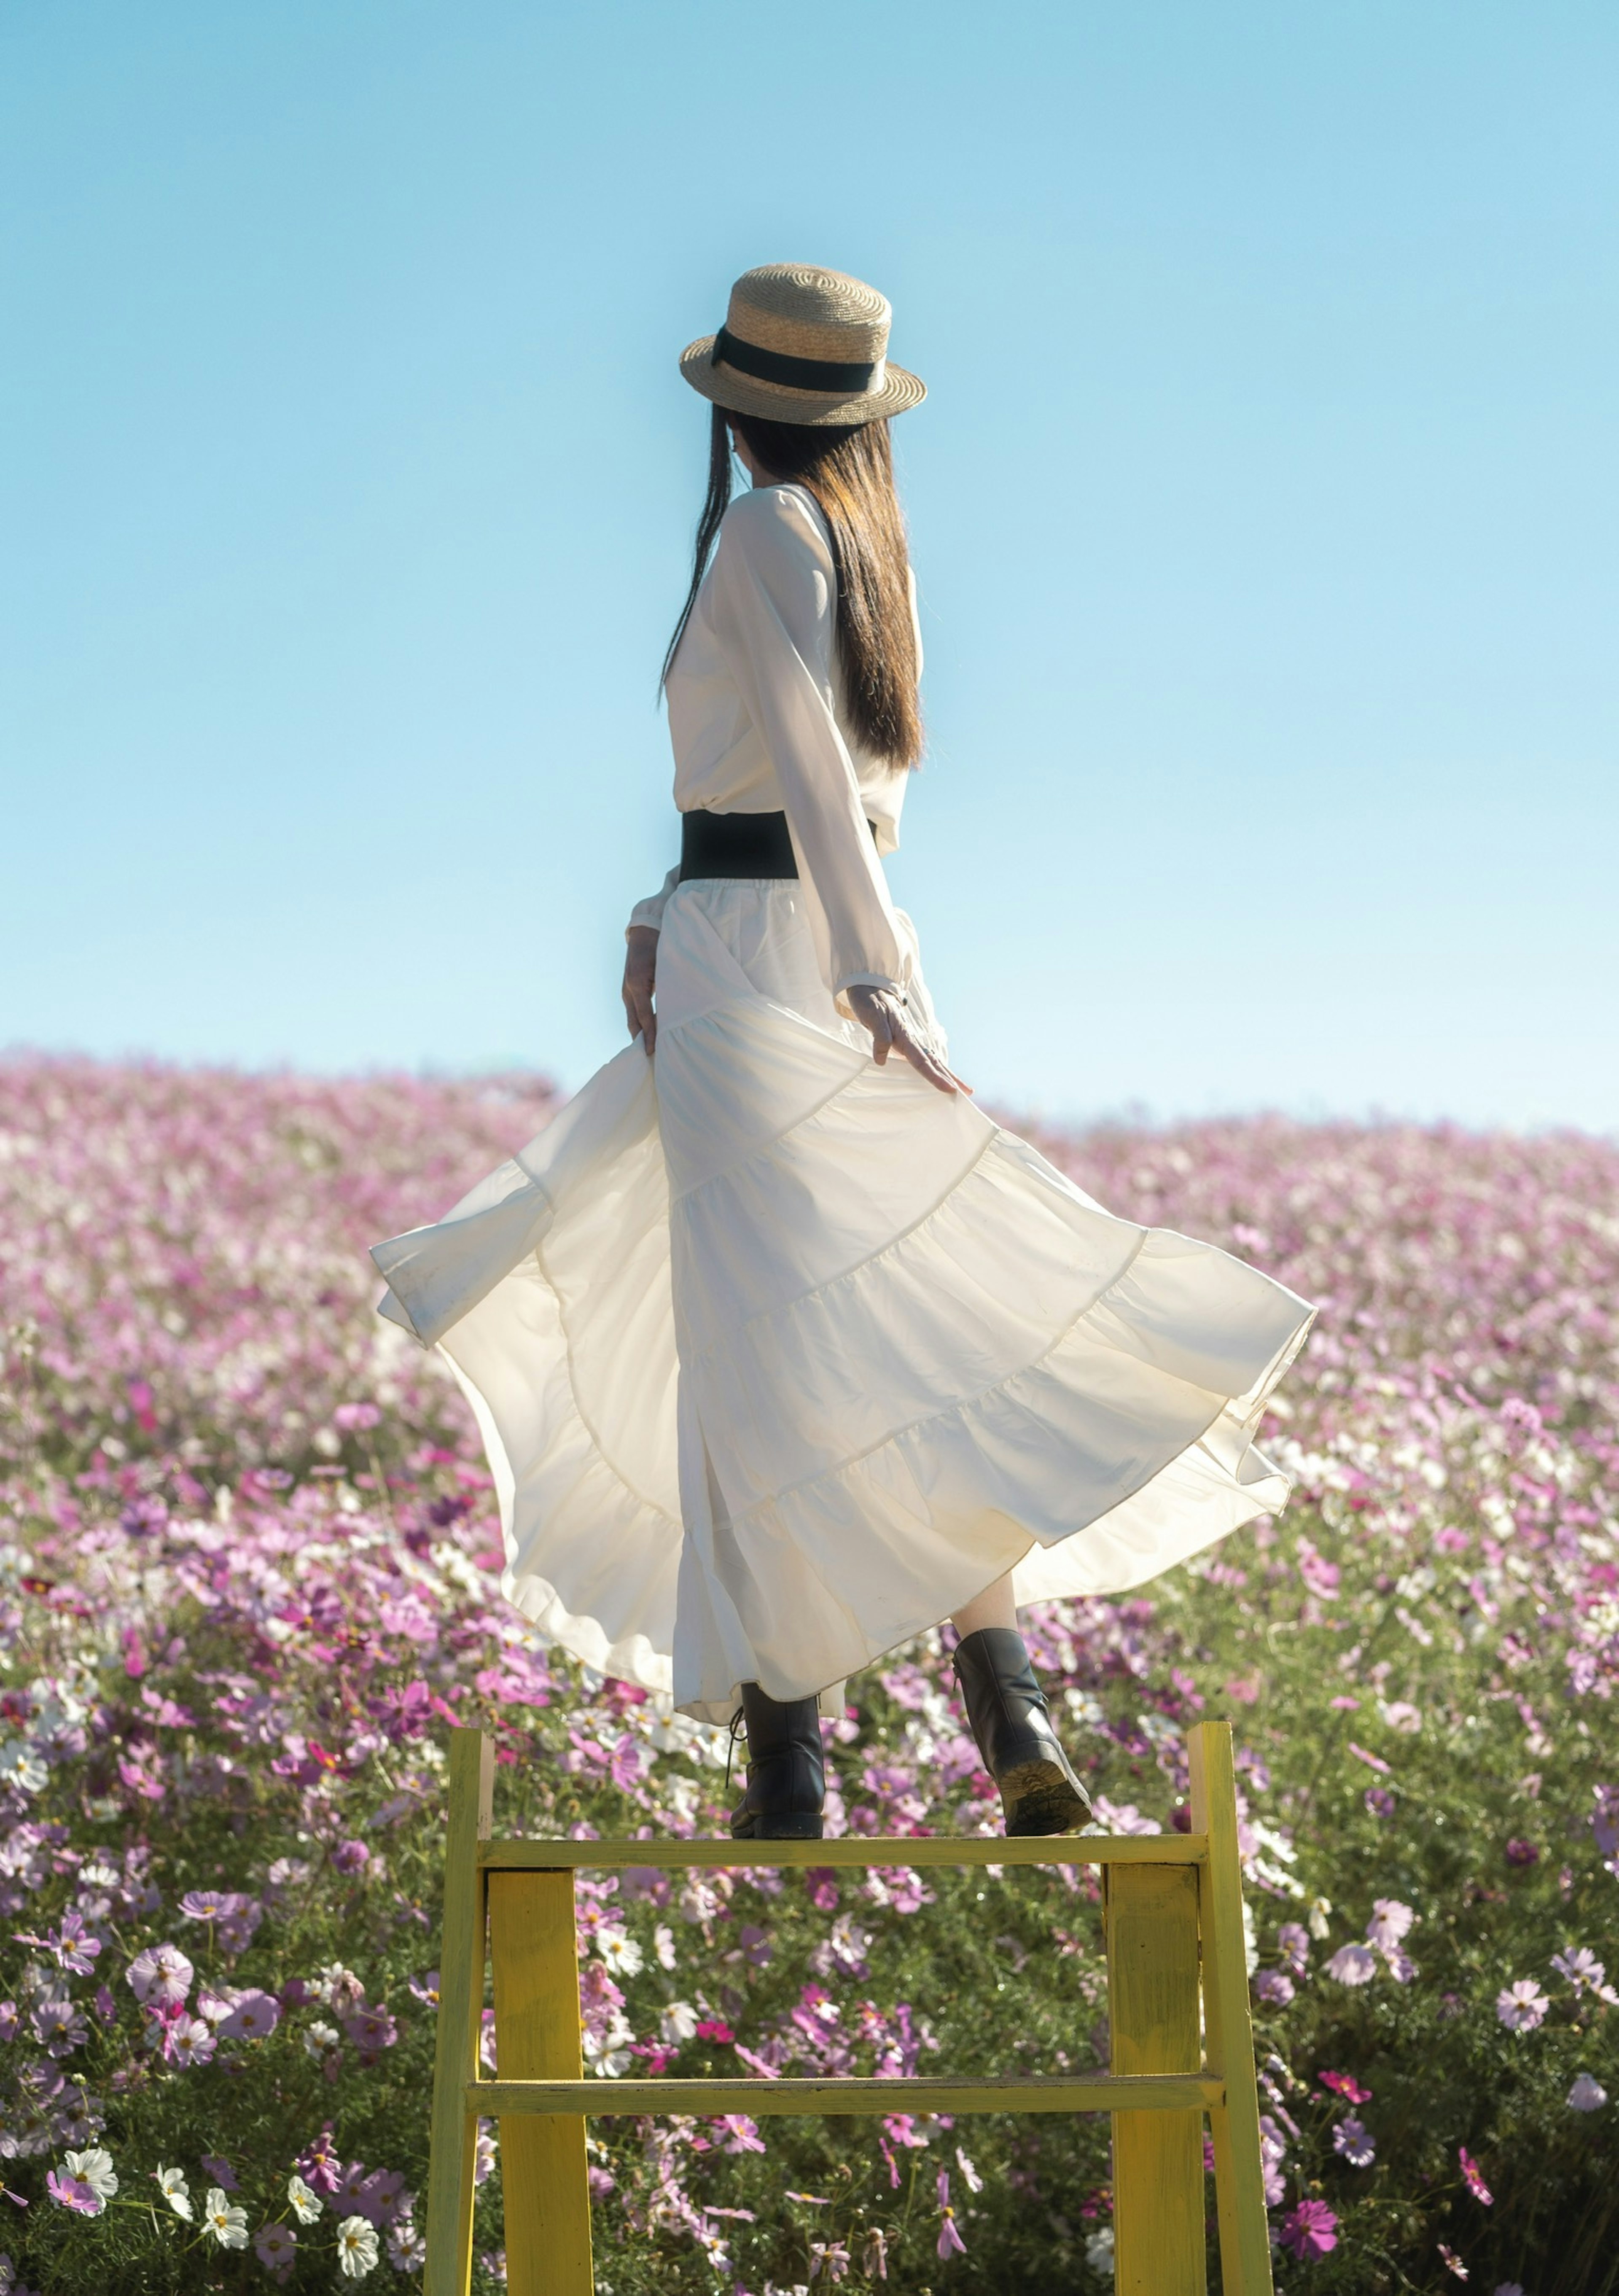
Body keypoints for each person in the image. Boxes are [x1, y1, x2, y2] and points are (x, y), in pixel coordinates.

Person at [371, 263, 1314, 1843]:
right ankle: (1006, 1709)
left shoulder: (753, 529)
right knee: (904, 1346)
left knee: (757, 1359)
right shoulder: (871, 553)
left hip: (765, 969)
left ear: (739, 412)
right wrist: (728, 926)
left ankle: (788, 1760)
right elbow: (833, 785)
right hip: (811, 940)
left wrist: (828, 966)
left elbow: (799, 767)